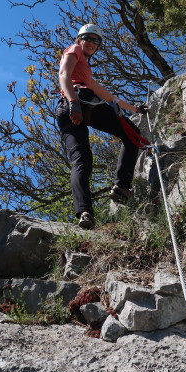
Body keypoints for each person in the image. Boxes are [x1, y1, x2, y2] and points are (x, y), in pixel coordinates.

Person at [56, 23, 148, 229]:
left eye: (96, 41)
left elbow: (108, 96)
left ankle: (121, 187)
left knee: (131, 134)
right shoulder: (74, 50)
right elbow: (63, 74)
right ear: (80, 39)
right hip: (76, 103)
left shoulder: (85, 70)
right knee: (82, 159)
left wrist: (135, 109)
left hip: (86, 104)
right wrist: (72, 103)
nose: (92, 43)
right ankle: (85, 211)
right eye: (88, 38)